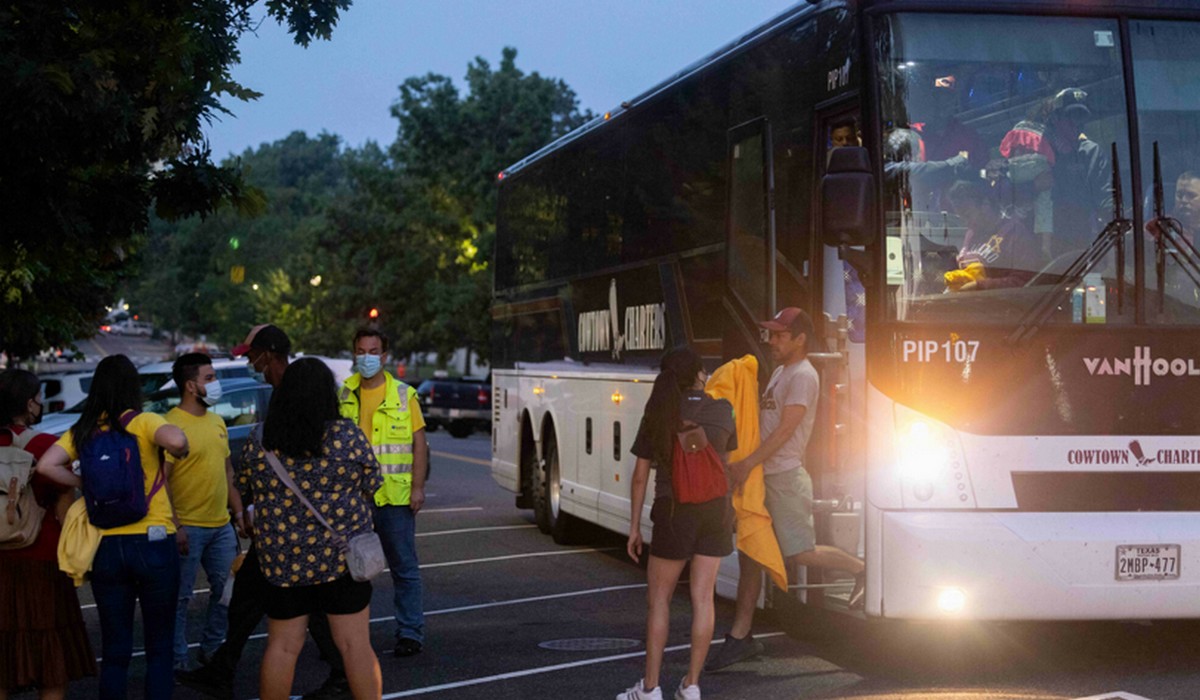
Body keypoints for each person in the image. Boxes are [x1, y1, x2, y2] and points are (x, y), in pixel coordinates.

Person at [179, 323, 350, 700]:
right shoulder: (280, 390)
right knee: (248, 594)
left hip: (295, 524)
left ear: (269, 353)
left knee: (309, 602)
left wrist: (261, 503)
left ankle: (342, 673)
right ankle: (224, 667)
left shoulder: (296, 390)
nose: (250, 362)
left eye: (252, 355)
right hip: (279, 521)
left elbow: (304, 457)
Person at [706, 308, 865, 672]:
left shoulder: (804, 376)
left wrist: (747, 463)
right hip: (766, 474)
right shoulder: (780, 372)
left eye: (779, 335)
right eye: (771, 335)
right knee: (751, 552)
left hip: (785, 476)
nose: (772, 341)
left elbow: (785, 431)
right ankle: (740, 638)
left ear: (800, 340)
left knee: (799, 554)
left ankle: (859, 569)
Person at [35, 354, 190, 699]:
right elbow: (177, 442)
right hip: (154, 543)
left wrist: (81, 480)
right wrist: (180, 446)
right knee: (160, 645)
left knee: (116, 648)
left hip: (105, 546)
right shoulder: (144, 421)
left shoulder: (84, 430)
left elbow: (46, 466)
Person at [237, 358, 383, 700]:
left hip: (282, 562)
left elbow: (246, 486)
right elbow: (372, 482)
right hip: (341, 560)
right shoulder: (347, 436)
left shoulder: (260, 440)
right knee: (354, 646)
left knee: (283, 647)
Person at [619, 347, 736, 700]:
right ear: (701, 374)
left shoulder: (659, 411)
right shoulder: (723, 409)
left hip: (674, 511)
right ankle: (692, 685)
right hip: (716, 511)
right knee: (704, 598)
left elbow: (640, 476)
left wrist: (635, 526)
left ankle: (651, 689)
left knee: (660, 600)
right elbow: (725, 465)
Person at [0, 370, 95, 700]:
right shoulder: (45, 447)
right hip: (42, 560)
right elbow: (65, 511)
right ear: (30, 404)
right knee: (50, 659)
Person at [337, 329, 428, 658]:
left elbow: (419, 445)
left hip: (394, 498)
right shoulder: (344, 394)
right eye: (360, 351)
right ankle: (349, 637)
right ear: (353, 353)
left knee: (404, 567)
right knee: (352, 570)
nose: (366, 357)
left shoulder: (405, 395)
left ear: (385, 355)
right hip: (353, 499)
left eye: (373, 351)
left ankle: (410, 633)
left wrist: (417, 487)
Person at [166, 353, 244, 672]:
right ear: (190, 385)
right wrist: (176, 525)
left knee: (229, 593)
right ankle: (176, 659)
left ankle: (212, 647)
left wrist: (238, 513)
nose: (216, 384)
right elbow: (163, 480)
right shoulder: (171, 425)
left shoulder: (217, 421)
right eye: (209, 378)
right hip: (188, 527)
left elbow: (227, 472)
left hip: (221, 525)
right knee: (179, 599)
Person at [1043, 87, 1114, 254]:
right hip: (1043, 240)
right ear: (1055, 118)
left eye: (1081, 117)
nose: (1077, 124)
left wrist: (1115, 216)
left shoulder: (1092, 152)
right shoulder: (1039, 149)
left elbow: (1105, 197)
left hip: (1083, 240)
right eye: (1071, 116)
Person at [942, 179, 1043, 291]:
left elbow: (1024, 283)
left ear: (985, 205)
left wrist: (979, 286)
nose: (966, 222)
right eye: (961, 217)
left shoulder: (1015, 233)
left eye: (967, 215)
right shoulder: (971, 234)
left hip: (1001, 305)